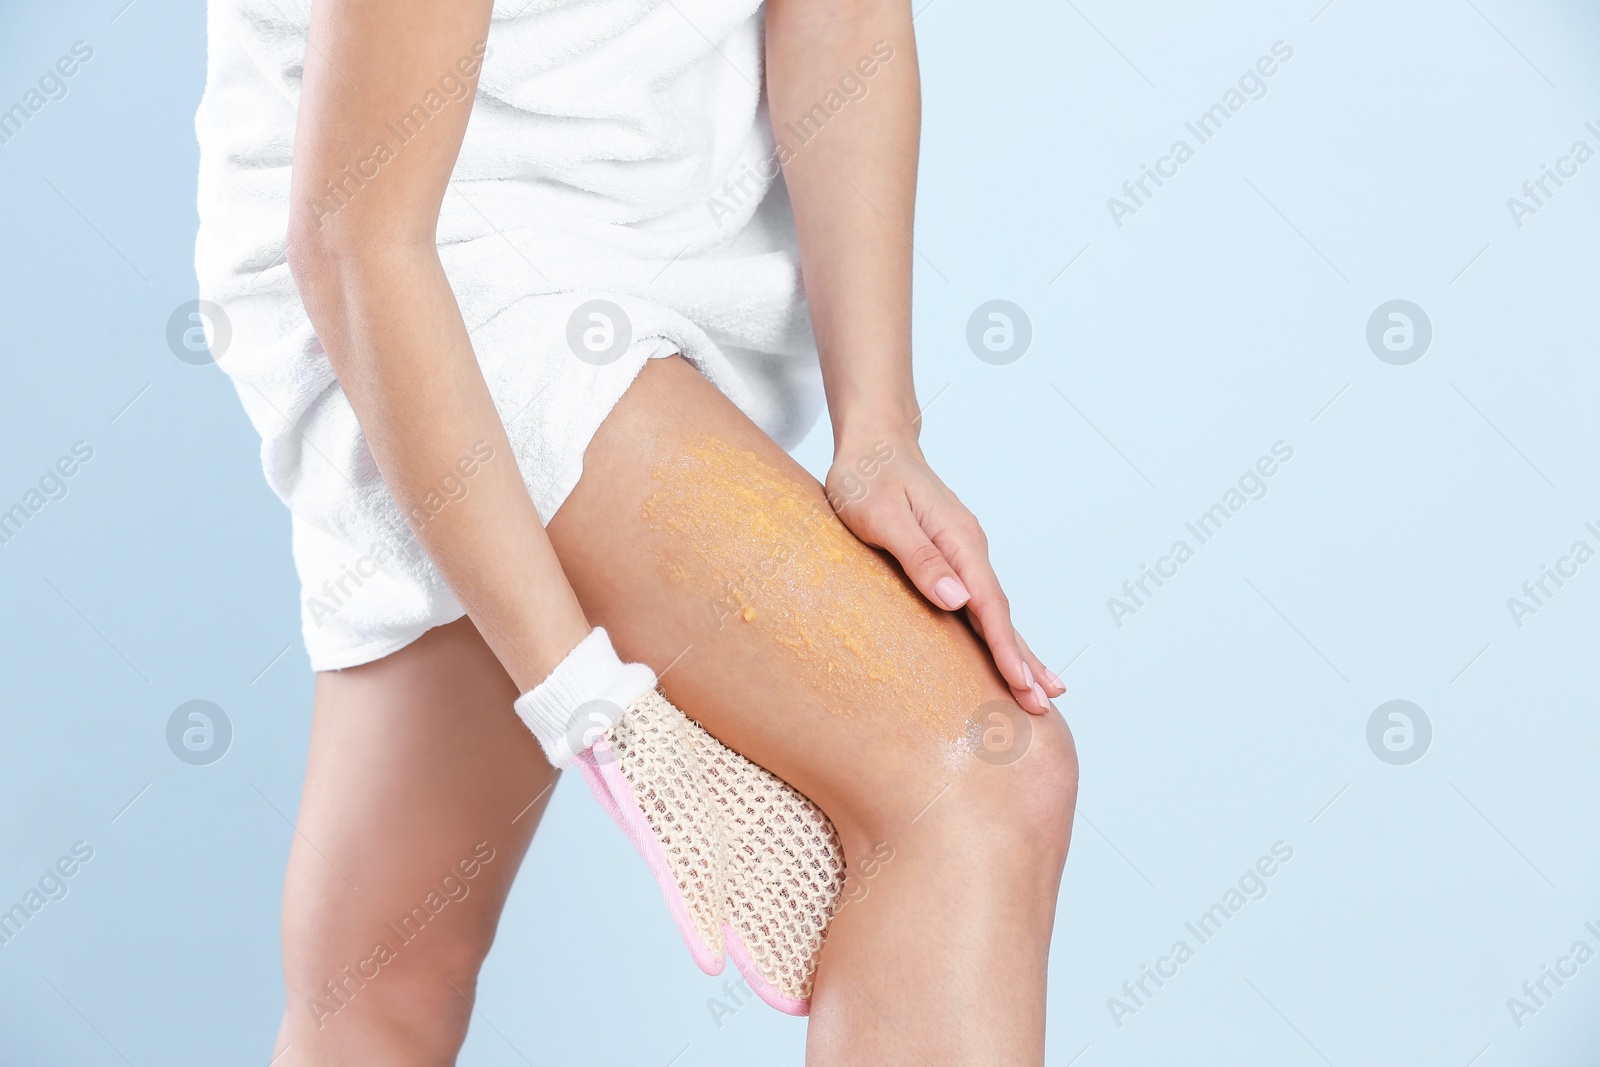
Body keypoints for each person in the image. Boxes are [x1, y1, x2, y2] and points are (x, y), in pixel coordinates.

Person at [194, 0, 1076, 1062]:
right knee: (975, 773)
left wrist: (879, 430)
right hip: (445, 277)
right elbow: (356, 237)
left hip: (672, 254)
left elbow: (839, 16)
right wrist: (575, 691)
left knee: (384, 982)